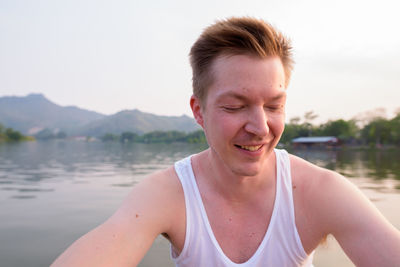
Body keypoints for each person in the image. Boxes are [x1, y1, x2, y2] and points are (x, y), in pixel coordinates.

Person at [52, 17, 400, 267]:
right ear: (199, 111)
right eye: (235, 107)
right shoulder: (168, 194)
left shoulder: (318, 192)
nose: (261, 127)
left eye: (274, 106)